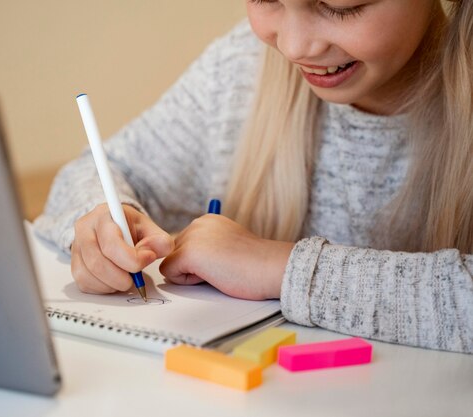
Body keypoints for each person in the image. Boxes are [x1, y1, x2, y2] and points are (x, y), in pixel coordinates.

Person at [35, 0, 472, 353]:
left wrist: (277, 267)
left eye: (342, 6)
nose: (296, 46)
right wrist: (103, 224)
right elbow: (101, 170)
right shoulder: (240, 68)